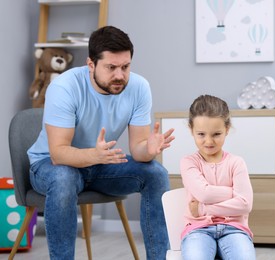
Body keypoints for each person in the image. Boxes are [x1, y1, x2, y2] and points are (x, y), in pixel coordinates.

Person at [27, 26, 174, 260]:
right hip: (50, 165)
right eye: (111, 67)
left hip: (101, 163)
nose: (120, 75)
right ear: (91, 64)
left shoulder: (139, 87)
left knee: (156, 173)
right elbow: (58, 154)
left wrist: (148, 149)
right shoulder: (65, 87)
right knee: (64, 178)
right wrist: (95, 156)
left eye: (125, 67)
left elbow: (137, 150)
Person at [180, 94, 256, 260]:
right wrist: (232, 192)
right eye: (201, 134)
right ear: (191, 130)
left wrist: (203, 209)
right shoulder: (188, 162)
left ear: (227, 130)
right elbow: (204, 194)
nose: (208, 141)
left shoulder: (236, 163)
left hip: (234, 228)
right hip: (198, 229)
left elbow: (245, 205)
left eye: (216, 134)